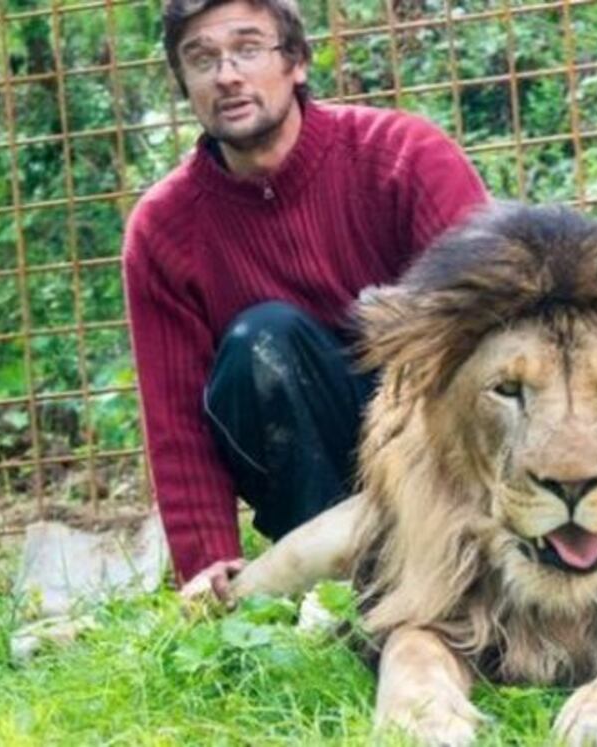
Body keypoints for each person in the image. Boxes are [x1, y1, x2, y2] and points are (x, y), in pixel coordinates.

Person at [122, 0, 488, 602]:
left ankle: (449, 561)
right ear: (182, 82)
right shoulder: (163, 229)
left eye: (248, 48)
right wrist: (207, 560)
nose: (227, 74)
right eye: (201, 58)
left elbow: (491, 329)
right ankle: (333, 589)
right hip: (296, 462)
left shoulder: (403, 155)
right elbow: (176, 418)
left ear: (296, 61)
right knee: (264, 339)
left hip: (429, 446)